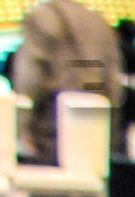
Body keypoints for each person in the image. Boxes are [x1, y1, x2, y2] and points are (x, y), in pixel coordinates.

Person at [11, 0, 124, 166]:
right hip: (94, 132)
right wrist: (110, 136)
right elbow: (113, 87)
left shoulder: (42, 17)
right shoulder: (100, 23)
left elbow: (29, 81)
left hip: (51, 131)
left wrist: (17, 130)